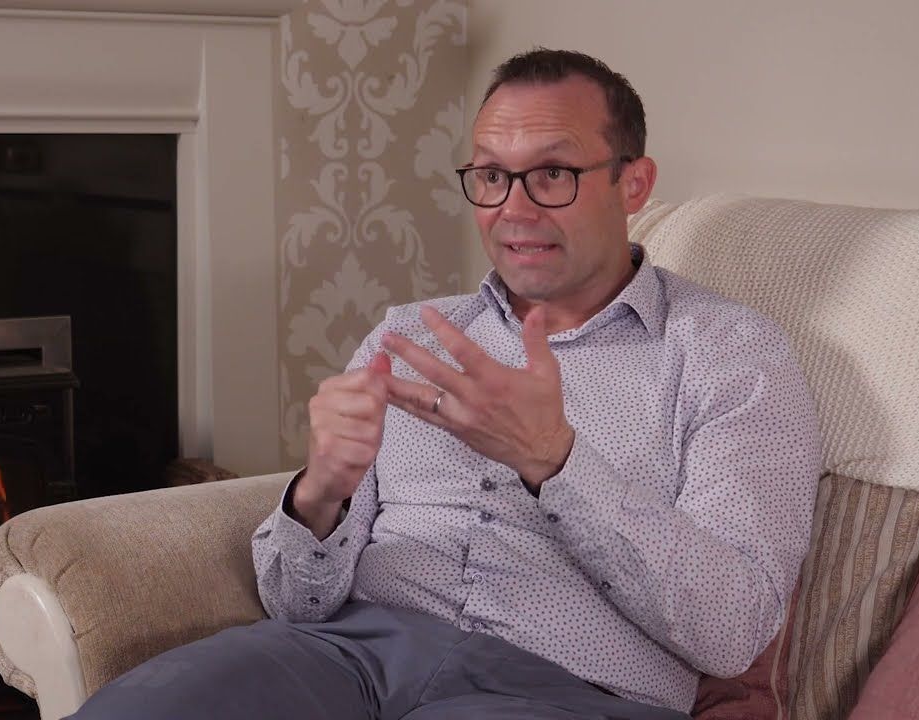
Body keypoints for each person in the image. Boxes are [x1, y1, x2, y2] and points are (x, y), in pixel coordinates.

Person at [70, 48, 821, 720]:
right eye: (492, 175)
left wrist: (554, 462)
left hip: (568, 688)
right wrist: (321, 492)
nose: (513, 208)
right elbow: (296, 603)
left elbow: (732, 631)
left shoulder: (731, 356)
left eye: (553, 173)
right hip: (347, 655)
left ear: (634, 184)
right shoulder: (413, 334)